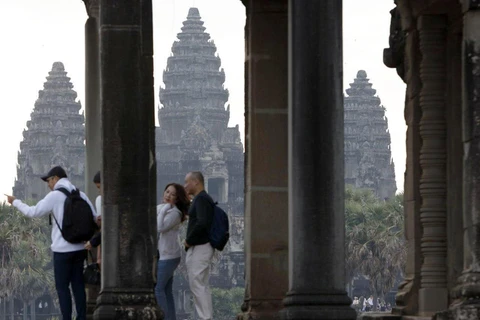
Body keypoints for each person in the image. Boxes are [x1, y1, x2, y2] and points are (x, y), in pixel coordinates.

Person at [5, 166, 98, 320]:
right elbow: (95, 218)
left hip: (62, 251)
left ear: (55, 178)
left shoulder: (54, 196)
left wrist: (15, 202)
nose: (48, 185)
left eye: (48, 181)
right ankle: (82, 317)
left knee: (62, 288)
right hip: (80, 249)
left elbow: (32, 212)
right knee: (78, 286)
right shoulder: (81, 194)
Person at [183, 171, 215, 320]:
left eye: (187, 182)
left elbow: (202, 222)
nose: (185, 185)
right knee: (200, 283)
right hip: (201, 245)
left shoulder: (202, 199)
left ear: (196, 182)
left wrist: (189, 240)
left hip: (201, 245)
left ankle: (205, 317)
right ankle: (206, 316)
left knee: (197, 282)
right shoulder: (200, 199)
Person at [155, 183, 189, 320]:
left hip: (169, 256)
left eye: (173, 194)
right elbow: (152, 211)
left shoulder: (175, 213)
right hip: (166, 254)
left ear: (177, 198)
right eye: (167, 191)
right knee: (167, 290)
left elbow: (160, 227)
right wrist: (163, 209)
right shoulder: (166, 208)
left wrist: (163, 210)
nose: (168, 195)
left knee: (158, 289)